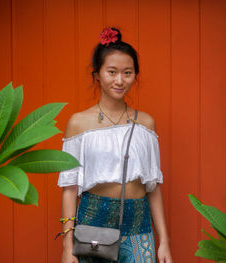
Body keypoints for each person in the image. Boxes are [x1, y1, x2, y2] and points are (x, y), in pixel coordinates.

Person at [57, 27, 173, 263]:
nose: (120, 80)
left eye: (127, 72)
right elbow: (69, 188)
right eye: (112, 72)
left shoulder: (146, 123)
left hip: (139, 227)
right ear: (97, 74)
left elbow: (153, 187)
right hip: (93, 224)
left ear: (135, 75)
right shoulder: (79, 124)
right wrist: (67, 245)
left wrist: (165, 243)